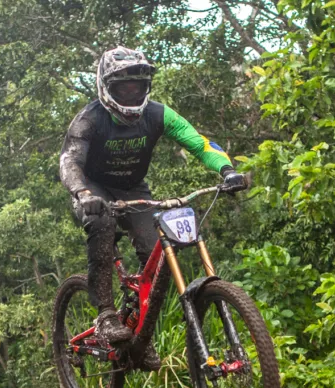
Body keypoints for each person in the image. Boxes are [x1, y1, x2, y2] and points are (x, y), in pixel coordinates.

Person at [59, 46, 248, 370]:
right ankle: (105, 315)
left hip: (134, 190)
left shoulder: (159, 115)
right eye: (123, 87)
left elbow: (199, 142)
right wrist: (82, 192)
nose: (132, 93)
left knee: (157, 256)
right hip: (92, 189)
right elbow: (69, 160)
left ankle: (136, 338)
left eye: (138, 86)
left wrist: (227, 171)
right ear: (106, 87)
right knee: (102, 224)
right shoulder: (90, 119)